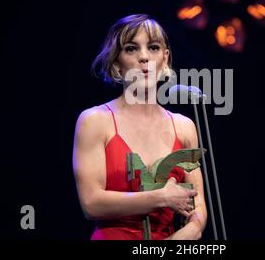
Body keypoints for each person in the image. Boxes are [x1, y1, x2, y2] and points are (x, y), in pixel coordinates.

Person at [72, 14, 207, 240]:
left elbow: (198, 205)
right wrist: (160, 198)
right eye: (131, 49)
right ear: (116, 62)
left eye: (153, 48)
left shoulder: (184, 127)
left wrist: (193, 230)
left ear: (165, 59)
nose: (144, 57)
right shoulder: (94, 121)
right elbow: (91, 203)